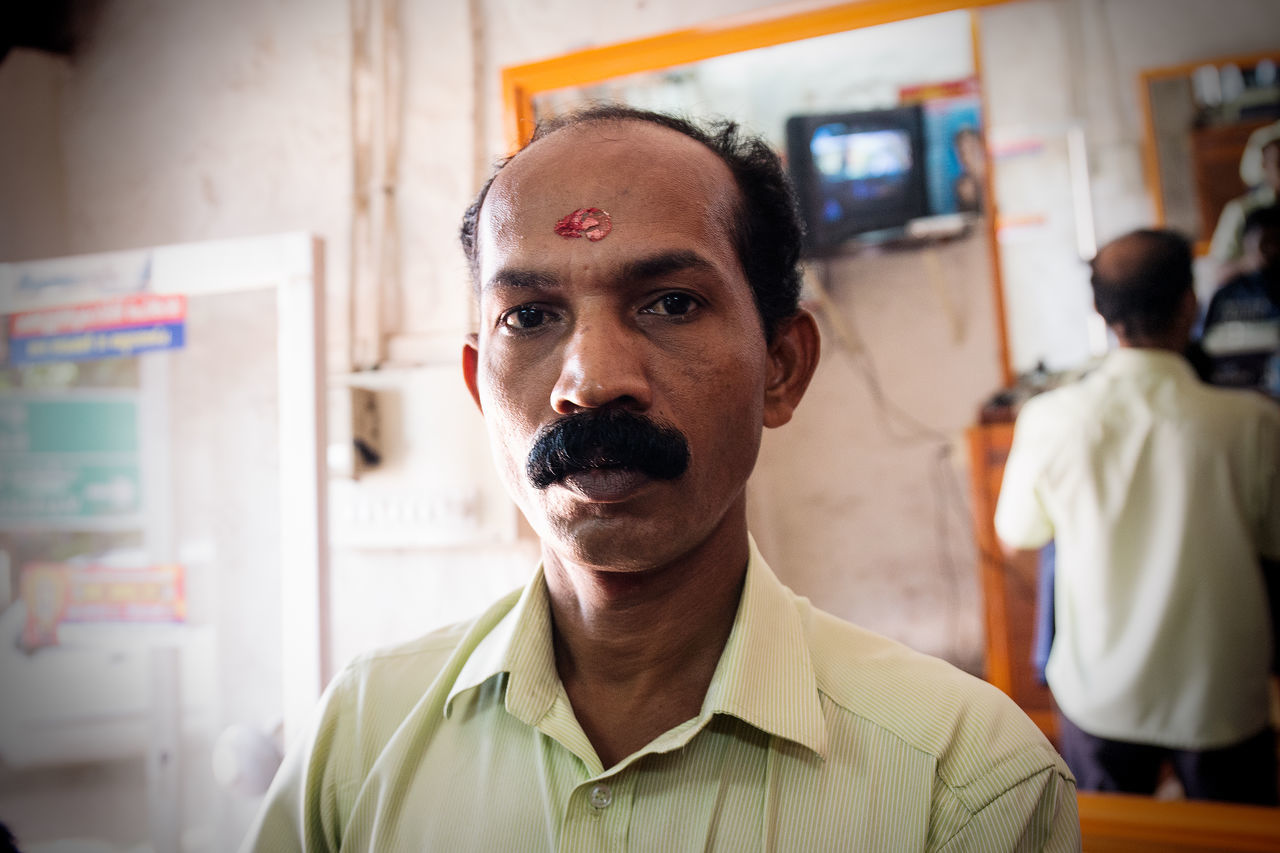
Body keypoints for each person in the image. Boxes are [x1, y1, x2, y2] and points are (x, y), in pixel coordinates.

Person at [241, 106, 1078, 851]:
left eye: (670, 303)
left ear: (782, 368)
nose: (592, 381)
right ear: (477, 388)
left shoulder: (962, 785)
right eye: (529, 316)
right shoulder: (358, 740)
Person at [995, 228, 1280, 804]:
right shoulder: (1251, 423)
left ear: (1100, 310)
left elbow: (1019, 531)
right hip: (1221, 696)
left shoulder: (1052, 418)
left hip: (1101, 693)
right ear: (1189, 303)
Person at [1197, 203, 1280, 393]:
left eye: (1277, 242)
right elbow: (1205, 342)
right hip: (1232, 381)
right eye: (1265, 243)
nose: (1272, 250)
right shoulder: (1225, 293)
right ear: (1246, 241)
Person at [1209, 120, 1280, 284]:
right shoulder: (1241, 211)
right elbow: (1217, 274)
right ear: (1264, 166)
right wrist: (1251, 262)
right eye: (1279, 163)